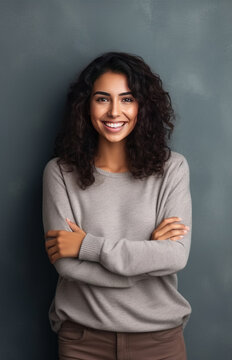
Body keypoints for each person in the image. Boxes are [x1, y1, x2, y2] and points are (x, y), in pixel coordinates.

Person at [42, 51, 192, 360]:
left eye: (126, 99)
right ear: (85, 106)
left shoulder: (173, 169)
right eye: (102, 99)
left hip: (159, 341)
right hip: (82, 341)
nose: (114, 112)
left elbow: (176, 256)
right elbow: (66, 265)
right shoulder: (59, 172)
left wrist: (89, 247)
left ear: (142, 107)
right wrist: (148, 256)